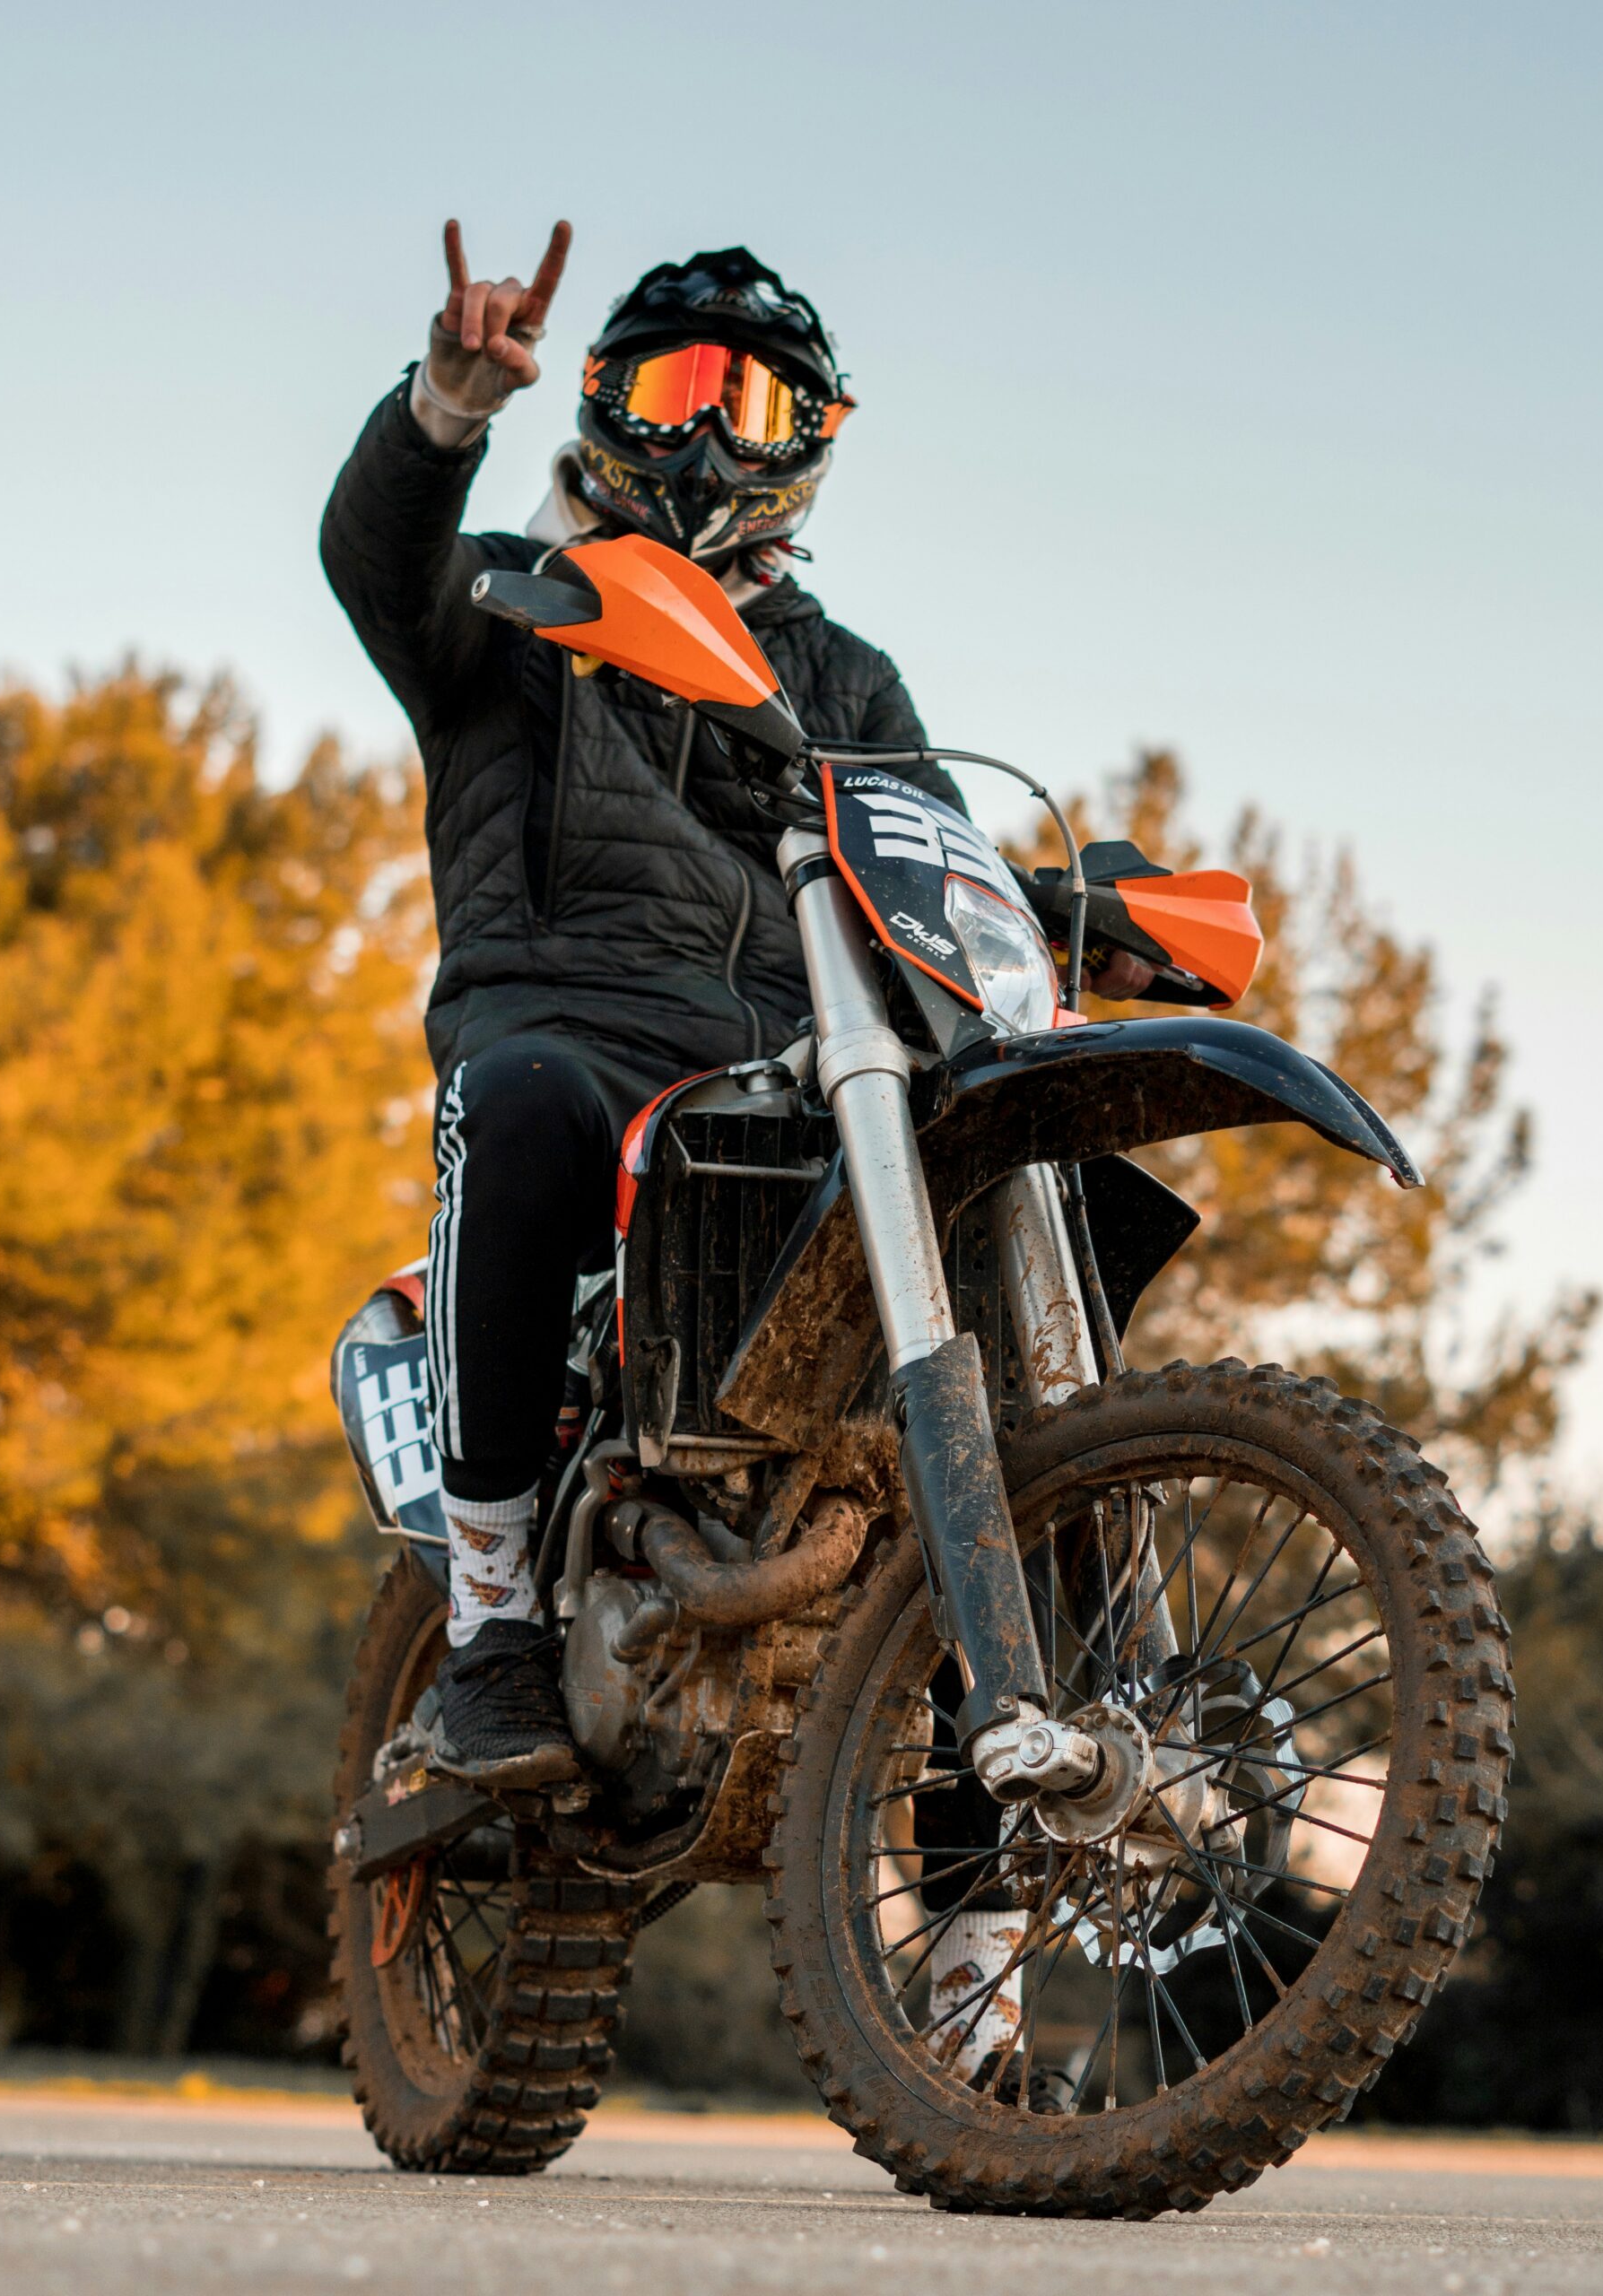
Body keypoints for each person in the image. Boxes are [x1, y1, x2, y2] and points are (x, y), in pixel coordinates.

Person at [324, 221, 1153, 1790]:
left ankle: (992, 1786)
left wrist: (1077, 915)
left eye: (755, 403)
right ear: (604, 399)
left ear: (812, 443)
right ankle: (493, 1626)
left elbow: (924, 850)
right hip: (570, 1028)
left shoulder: (844, 675)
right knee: (521, 1103)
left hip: (797, 1063)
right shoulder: (511, 598)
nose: (708, 430)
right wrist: (443, 410)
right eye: (674, 385)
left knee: (1035, 1180)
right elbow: (377, 566)